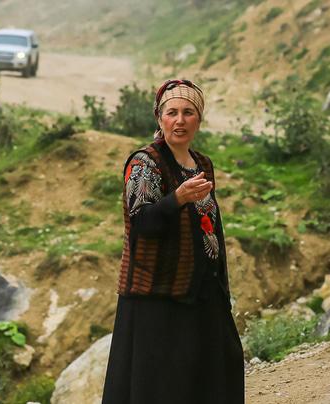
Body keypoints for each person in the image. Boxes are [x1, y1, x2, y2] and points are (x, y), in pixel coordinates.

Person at [101, 79, 244, 404]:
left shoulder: (202, 163)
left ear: (199, 119)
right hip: (157, 295)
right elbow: (141, 224)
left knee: (217, 370)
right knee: (164, 386)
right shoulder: (145, 163)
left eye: (188, 112)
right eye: (172, 112)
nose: (180, 120)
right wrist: (176, 199)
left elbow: (210, 225)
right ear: (159, 117)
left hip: (202, 290)